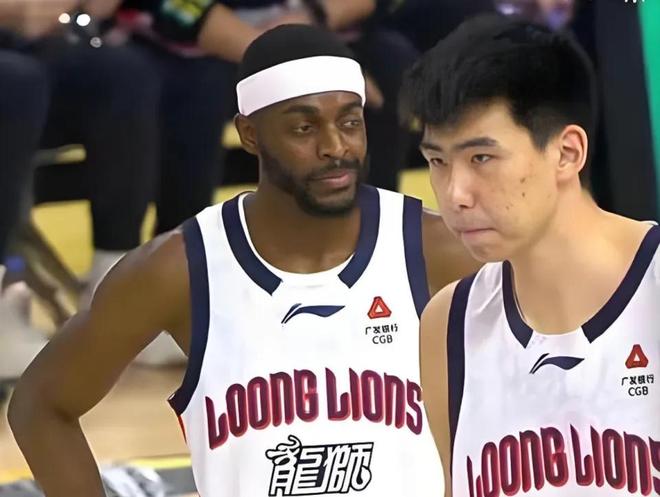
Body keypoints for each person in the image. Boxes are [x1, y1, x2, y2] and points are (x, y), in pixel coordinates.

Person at [9, 25, 479, 496]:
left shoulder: (439, 251)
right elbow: (40, 406)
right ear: (250, 135)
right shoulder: (181, 269)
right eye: (304, 128)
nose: (335, 147)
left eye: (349, 122)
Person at [403, 14, 660, 496]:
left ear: (567, 152)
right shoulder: (448, 325)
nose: (455, 194)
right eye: (438, 161)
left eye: (481, 158)